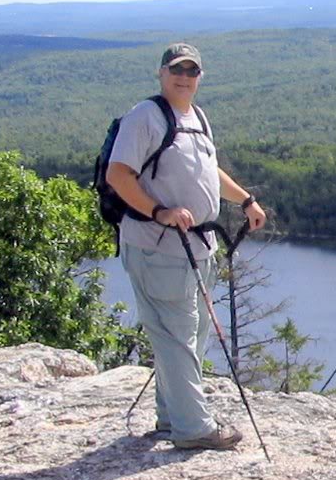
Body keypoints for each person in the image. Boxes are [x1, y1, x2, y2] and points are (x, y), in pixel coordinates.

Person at [107, 42, 266, 450]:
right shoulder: (146, 116)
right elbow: (119, 175)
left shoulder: (196, 117)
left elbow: (207, 170)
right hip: (158, 247)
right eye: (176, 69)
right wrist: (160, 211)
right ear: (161, 73)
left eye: (192, 71)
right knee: (176, 334)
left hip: (196, 247)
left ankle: (171, 416)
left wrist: (245, 200)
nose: (184, 77)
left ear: (200, 78)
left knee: (191, 333)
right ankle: (194, 428)